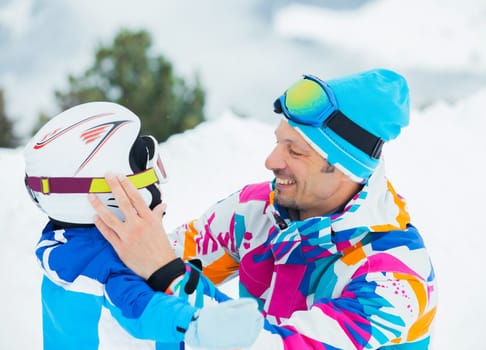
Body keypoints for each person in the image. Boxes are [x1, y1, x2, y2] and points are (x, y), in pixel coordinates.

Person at [90, 69, 438, 349]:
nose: (271, 161)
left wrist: (168, 273)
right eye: (278, 142)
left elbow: (276, 344)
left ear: (346, 168)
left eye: (296, 152)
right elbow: (133, 271)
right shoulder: (256, 212)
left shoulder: (394, 278)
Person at [23, 101, 262, 350]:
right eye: (145, 170)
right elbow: (142, 309)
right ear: (110, 195)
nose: (157, 185)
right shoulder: (102, 266)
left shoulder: (77, 246)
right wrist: (195, 324)